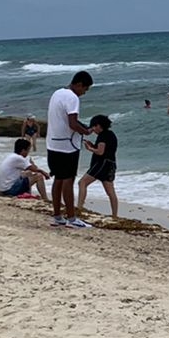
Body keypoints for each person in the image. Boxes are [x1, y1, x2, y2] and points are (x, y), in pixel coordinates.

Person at [46, 71, 94, 228]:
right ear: (79, 84)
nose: (84, 93)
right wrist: (85, 131)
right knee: (68, 180)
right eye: (84, 90)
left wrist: (81, 126)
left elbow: (64, 118)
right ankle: (72, 219)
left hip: (52, 143)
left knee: (58, 179)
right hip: (67, 145)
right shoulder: (73, 98)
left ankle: (57, 216)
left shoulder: (57, 93)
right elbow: (72, 123)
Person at [77, 114, 120, 220]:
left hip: (101, 164)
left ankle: (79, 208)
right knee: (110, 192)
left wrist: (90, 148)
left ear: (98, 126)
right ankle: (114, 215)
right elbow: (107, 149)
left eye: (94, 127)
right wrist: (93, 145)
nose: (93, 129)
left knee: (82, 182)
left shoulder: (103, 136)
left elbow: (100, 152)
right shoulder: (111, 134)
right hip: (111, 164)